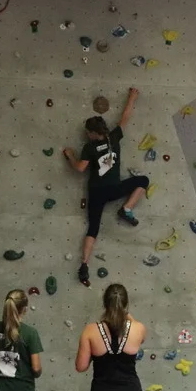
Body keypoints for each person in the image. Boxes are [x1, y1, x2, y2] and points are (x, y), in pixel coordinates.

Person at [62, 87, 147, 288]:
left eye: (87, 133)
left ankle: (84, 263)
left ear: (92, 133)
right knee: (142, 181)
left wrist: (70, 156)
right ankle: (127, 209)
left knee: (93, 227)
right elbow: (124, 118)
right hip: (114, 189)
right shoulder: (114, 138)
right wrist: (132, 97)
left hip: (97, 193)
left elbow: (80, 169)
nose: (87, 135)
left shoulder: (89, 148)